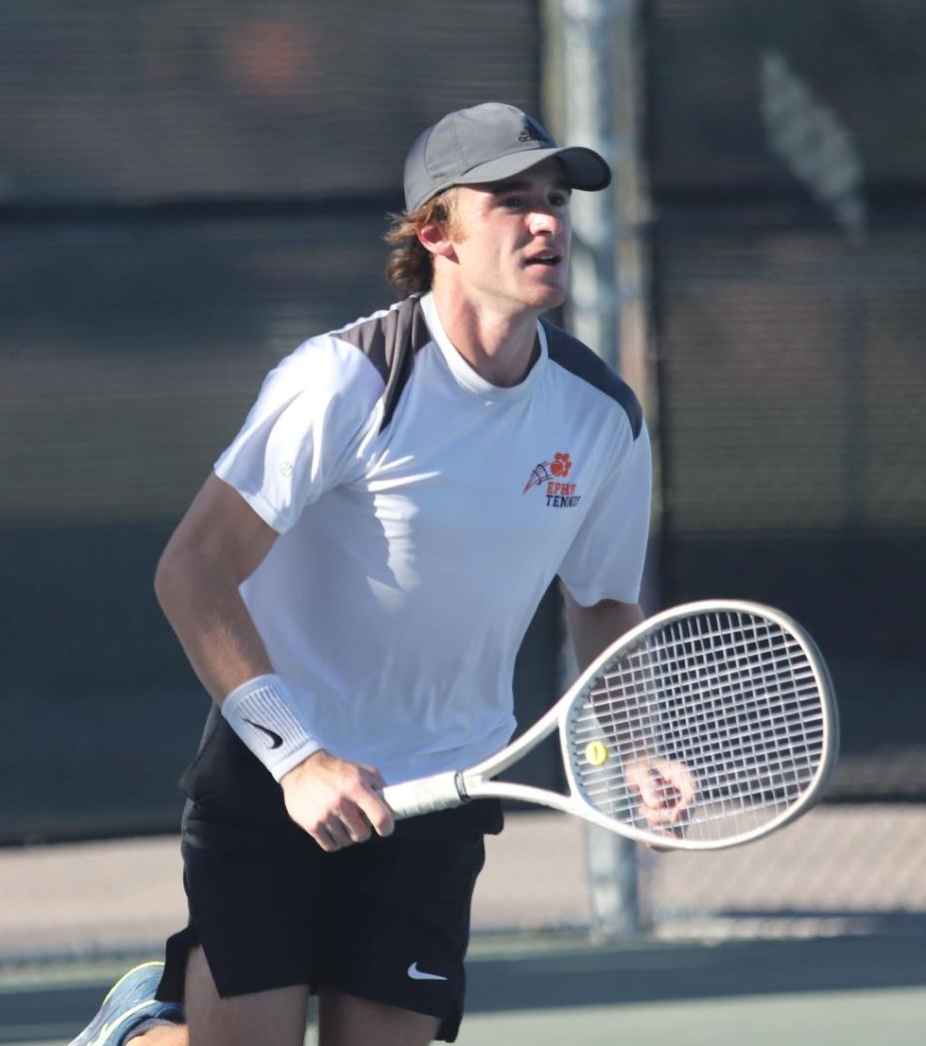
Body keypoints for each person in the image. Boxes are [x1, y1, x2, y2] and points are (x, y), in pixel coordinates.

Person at [69, 102, 691, 1046]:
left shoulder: (600, 417)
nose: (546, 223)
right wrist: (298, 759)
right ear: (436, 231)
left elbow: (602, 600)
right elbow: (192, 572)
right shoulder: (347, 379)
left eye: (556, 199)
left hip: (442, 790)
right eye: (511, 200)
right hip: (278, 779)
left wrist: (636, 744)